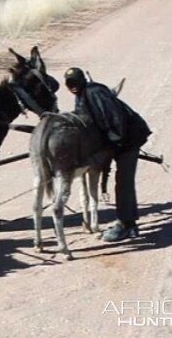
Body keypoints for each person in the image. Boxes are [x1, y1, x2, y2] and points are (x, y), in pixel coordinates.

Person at [64, 67, 152, 242]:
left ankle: (126, 225)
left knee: (124, 181)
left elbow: (115, 118)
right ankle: (131, 224)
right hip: (116, 140)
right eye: (69, 84)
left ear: (83, 81)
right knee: (121, 179)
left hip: (128, 139)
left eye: (76, 82)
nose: (73, 87)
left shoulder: (95, 93)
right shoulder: (81, 96)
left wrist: (112, 146)